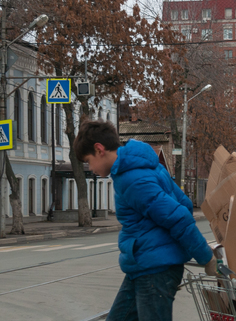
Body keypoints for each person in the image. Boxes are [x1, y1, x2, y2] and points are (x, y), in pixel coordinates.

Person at [74, 119, 215, 321]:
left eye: (88, 161)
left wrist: (205, 257)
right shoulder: (144, 166)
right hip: (143, 267)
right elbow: (183, 203)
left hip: (155, 271)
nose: (91, 168)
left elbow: (178, 217)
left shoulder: (132, 179)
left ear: (99, 149)